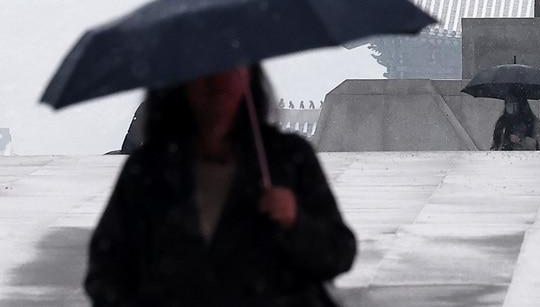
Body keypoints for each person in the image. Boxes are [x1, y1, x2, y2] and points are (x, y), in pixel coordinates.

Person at [85, 64, 356, 306]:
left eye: (232, 68)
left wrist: (296, 221)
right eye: (203, 72)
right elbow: (106, 271)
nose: (218, 81)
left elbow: (338, 253)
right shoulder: (149, 171)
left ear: (250, 76)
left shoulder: (287, 160)